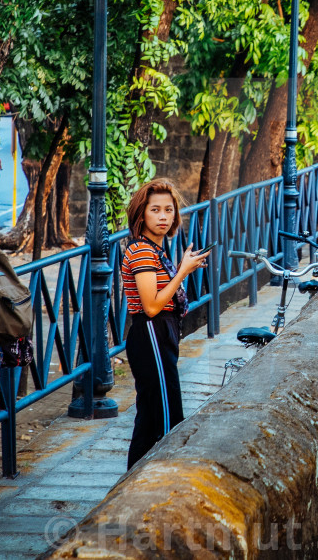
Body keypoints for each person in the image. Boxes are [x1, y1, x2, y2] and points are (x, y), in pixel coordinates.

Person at [123, 179, 210, 469]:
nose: (163, 216)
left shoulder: (155, 249)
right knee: (166, 417)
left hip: (160, 335)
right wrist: (183, 271)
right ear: (142, 214)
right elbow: (151, 305)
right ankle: (148, 483)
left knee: (150, 416)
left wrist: (183, 266)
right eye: (155, 210)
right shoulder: (142, 251)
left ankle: (131, 485)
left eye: (169, 210)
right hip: (151, 334)